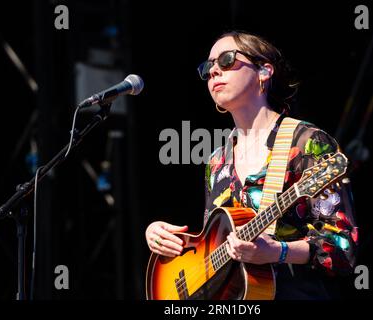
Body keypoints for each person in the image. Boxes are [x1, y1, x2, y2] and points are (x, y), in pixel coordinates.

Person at [145, 30, 358, 299]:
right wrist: (169, 241)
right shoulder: (218, 161)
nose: (214, 72)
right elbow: (213, 249)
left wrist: (278, 251)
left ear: (264, 71)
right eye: (208, 67)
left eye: (226, 60)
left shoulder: (307, 142)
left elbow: (343, 249)